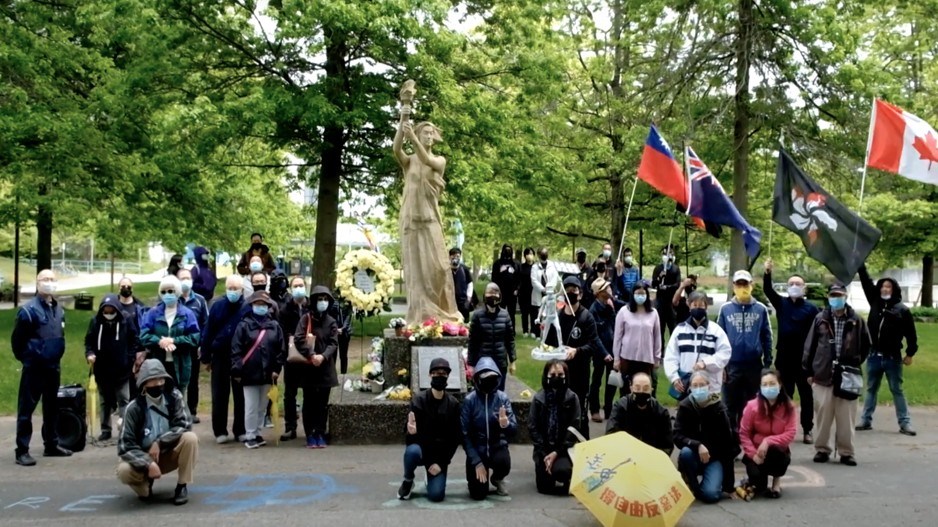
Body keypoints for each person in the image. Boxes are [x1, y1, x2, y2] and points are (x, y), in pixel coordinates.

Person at [393, 104, 462, 323]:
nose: (429, 136)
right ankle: (420, 316)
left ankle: (443, 312)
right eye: (425, 132)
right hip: (412, 221)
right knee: (416, 274)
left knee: (441, 269)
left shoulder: (439, 161)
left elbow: (428, 160)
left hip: (431, 219)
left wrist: (412, 137)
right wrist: (403, 118)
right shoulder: (410, 161)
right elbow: (396, 150)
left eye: (432, 133)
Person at [804, 283, 870, 466]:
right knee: (823, 414)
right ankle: (822, 449)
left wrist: (855, 362)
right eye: (833, 295)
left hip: (848, 376)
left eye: (839, 295)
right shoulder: (820, 319)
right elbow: (810, 346)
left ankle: (846, 452)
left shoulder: (856, 320)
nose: (836, 298)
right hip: (823, 375)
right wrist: (809, 371)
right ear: (828, 296)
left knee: (846, 416)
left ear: (845, 296)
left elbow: (866, 345)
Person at [11, 269, 72, 466]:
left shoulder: (59, 309)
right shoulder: (28, 311)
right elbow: (17, 341)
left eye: (52, 279)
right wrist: (28, 358)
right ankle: (22, 450)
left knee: (52, 407)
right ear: (37, 283)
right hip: (34, 367)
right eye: (45, 279)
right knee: (26, 409)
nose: (49, 282)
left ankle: (51, 444)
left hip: (53, 366)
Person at [117, 359, 196, 505]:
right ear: (144, 384)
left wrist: (159, 442)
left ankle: (182, 486)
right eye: (152, 380)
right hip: (144, 456)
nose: (158, 384)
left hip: (167, 452)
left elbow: (184, 424)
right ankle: (146, 483)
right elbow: (124, 446)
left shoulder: (174, 397)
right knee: (124, 470)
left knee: (190, 438)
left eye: (161, 379)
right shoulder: (133, 409)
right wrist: (148, 463)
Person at [857, 265, 918, 436]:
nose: (885, 288)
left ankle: (905, 423)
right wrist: (860, 265)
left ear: (894, 289)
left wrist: (910, 353)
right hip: (874, 355)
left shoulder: (902, 310)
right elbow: (866, 282)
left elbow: (911, 335)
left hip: (893, 358)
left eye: (888, 286)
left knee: (896, 389)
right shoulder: (875, 302)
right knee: (871, 389)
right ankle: (866, 420)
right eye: (883, 286)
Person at [763, 260, 820, 443]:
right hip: (784, 358)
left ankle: (807, 429)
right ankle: (784, 428)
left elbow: (817, 334)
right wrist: (767, 272)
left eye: (798, 284)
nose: (795, 286)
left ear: (804, 288)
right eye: (791, 284)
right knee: (785, 395)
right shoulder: (781, 303)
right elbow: (768, 291)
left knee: (806, 396)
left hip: (804, 360)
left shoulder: (811, 309)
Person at [543, 276, 602, 439]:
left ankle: (583, 446)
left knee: (580, 414)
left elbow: (594, 345)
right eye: (567, 290)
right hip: (559, 375)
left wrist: (577, 351)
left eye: (574, 290)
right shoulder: (557, 317)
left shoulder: (586, 317)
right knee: (559, 412)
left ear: (581, 294)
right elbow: (549, 344)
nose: (571, 293)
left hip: (580, 375)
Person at [398, 358, 462, 502]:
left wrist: (441, 462)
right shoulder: (419, 401)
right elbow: (411, 440)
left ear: (447, 377)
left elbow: (454, 439)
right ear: (429, 375)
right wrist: (411, 432)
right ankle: (408, 480)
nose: (440, 376)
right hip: (422, 451)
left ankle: (430, 477)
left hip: (440, 456)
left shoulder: (453, 405)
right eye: (436, 373)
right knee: (412, 451)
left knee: (436, 495)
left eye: (443, 373)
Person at [717, 270, 773, 433]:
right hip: (731, 365)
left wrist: (767, 363)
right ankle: (731, 442)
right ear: (734, 286)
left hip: (754, 365)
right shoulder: (726, 309)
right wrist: (721, 365)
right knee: (729, 406)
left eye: (745, 284)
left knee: (752, 405)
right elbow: (719, 337)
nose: (742, 287)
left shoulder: (760, 309)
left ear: (751, 285)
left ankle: (750, 441)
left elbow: (767, 335)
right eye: (739, 284)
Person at [673, 371, 738, 503]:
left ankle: (705, 486)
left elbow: (728, 444)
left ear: (708, 386)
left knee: (711, 495)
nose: (698, 389)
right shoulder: (685, 406)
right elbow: (677, 435)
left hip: (714, 458)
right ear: (690, 387)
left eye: (702, 385)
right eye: (695, 385)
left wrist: (729, 486)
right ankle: (692, 484)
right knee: (685, 453)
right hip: (693, 454)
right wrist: (697, 445)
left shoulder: (719, 408)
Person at [231, 291, 285, 449]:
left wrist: (277, 368)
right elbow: (236, 349)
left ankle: (258, 432)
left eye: (263, 305)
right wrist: (237, 370)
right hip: (249, 372)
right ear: (252, 306)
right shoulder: (244, 325)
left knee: (262, 406)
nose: (260, 307)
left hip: (268, 373)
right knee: (251, 406)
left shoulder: (274, 326)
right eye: (257, 304)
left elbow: (280, 349)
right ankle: (249, 434)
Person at [200, 275, 248, 444]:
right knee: (219, 394)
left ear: (242, 290)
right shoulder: (217, 306)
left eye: (236, 288)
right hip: (219, 356)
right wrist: (205, 356)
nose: (233, 291)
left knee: (241, 395)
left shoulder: (247, 307)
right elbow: (208, 332)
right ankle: (220, 430)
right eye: (230, 288)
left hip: (240, 357)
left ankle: (240, 429)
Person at [461, 357, 517, 500]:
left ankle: (497, 478)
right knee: (478, 494)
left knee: (503, 462)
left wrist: (505, 424)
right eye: (484, 377)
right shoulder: (470, 400)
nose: (488, 381)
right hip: (477, 450)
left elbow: (514, 429)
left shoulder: (502, 398)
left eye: (492, 377)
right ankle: (477, 478)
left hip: (496, 447)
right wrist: (476, 461)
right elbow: (464, 434)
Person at [85, 294, 138, 441]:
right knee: (105, 401)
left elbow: (134, 339)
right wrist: (90, 354)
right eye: (106, 312)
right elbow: (89, 341)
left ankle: (125, 429)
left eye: (111, 311)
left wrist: (130, 358)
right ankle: (105, 429)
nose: (108, 315)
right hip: (102, 369)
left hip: (122, 370)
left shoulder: (126, 320)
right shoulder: (95, 322)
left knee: (123, 399)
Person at [293, 286, 340, 448]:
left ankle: (320, 432)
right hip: (309, 368)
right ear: (313, 301)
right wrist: (311, 355)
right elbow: (298, 338)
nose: (323, 302)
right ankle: (310, 434)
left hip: (325, 369)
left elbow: (333, 343)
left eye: (326, 299)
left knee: (322, 403)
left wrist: (323, 356)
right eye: (320, 299)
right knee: (309, 402)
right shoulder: (305, 319)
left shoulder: (331, 321)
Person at [139, 276, 201, 398]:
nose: (167, 294)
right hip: (158, 364)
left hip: (181, 364)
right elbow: (144, 336)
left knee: (179, 398)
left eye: (170, 291)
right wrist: (160, 341)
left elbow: (194, 337)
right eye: (164, 291)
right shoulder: (153, 313)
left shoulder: (187, 314)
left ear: (177, 291)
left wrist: (174, 340)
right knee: (158, 398)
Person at [739, 370, 797, 499]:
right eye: (764, 384)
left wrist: (768, 441)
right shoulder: (752, 407)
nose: (768, 387)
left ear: (780, 385)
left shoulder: (789, 407)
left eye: (772, 383)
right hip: (756, 450)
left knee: (779, 455)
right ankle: (755, 479)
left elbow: (790, 433)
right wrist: (753, 454)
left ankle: (777, 480)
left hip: (777, 450)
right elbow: (744, 433)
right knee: (759, 487)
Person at [664, 292, 732, 400]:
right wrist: (674, 377)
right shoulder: (679, 330)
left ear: (706, 306)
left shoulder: (716, 330)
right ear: (689, 305)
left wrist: (706, 363)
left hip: (711, 387)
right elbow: (670, 356)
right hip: (685, 387)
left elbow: (725, 352)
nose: (698, 308)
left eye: (701, 305)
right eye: (694, 305)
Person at [529, 360, 580, 495]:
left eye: (560, 374)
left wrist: (557, 452)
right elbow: (532, 427)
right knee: (544, 488)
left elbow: (574, 428)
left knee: (562, 472)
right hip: (543, 449)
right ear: (546, 376)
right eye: (552, 374)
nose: (556, 377)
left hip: (563, 449)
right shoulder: (538, 398)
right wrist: (545, 453)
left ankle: (568, 474)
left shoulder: (572, 398)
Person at [612, 282, 662, 398]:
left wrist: (657, 357)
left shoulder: (653, 313)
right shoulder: (624, 311)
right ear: (633, 294)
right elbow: (618, 336)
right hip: (627, 358)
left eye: (643, 293)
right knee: (625, 389)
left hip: (646, 359)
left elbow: (657, 336)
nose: (640, 296)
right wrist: (616, 358)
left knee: (644, 389)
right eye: (638, 293)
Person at [605, 372, 673, 455]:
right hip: (624, 453)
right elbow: (610, 434)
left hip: (650, 456)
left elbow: (667, 445)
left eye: (645, 389)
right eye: (637, 388)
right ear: (631, 388)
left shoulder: (661, 412)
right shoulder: (621, 407)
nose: (641, 392)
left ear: (651, 390)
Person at [468, 283, 516, 389]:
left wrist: (512, 361)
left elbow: (510, 340)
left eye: (495, 293)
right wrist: (471, 364)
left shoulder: (505, 315)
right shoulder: (477, 316)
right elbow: (472, 342)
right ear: (485, 295)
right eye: (489, 293)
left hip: (500, 362)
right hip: (483, 363)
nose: (492, 295)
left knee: (499, 392)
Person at [177, 267, 209, 424]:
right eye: (182, 278)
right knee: (177, 378)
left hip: (194, 348)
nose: (185, 281)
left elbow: (206, 323)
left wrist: (202, 344)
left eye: (187, 278)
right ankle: (178, 410)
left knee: (193, 380)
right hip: (176, 348)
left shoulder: (200, 300)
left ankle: (192, 410)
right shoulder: (173, 299)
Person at [278, 276, 308, 441]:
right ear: (290, 289)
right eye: (295, 286)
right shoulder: (285, 309)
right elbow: (281, 332)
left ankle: (310, 427)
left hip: (309, 355)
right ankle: (290, 427)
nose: (299, 288)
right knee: (290, 394)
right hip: (291, 357)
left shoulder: (311, 306)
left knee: (310, 392)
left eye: (301, 285)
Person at [588, 279, 620, 422]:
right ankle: (594, 409)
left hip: (612, 348)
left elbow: (613, 326)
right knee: (596, 380)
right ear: (600, 292)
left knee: (611, 381)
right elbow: (595, 335)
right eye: (606, 288)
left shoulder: (610, 306)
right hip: (600, 351)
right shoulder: (593, 310)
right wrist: (604, 353)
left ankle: (608, 409)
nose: (610, 289)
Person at [651, 245, 682, 348]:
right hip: (660, 301)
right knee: (660, 328)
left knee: (673, 327)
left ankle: (674, 349)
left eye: (671, 254)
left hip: (671, 302)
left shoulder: (675, 268)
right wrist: (660, 277)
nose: (669, 256)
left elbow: (677, 284)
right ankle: (660, 351)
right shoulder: (658, 268)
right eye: (667, 253)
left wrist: (667, 287)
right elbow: (654, 284)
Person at [530, 247, 559, 338]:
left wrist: (550, 288)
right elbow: (534, 280)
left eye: (545, 253)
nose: (544, 255)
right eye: (542, 254)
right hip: (539, 293)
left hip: (550, 293)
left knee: (549, 313)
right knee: (539, 312)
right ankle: (538, 333)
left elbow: (555, 278)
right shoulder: (535, 267)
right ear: (538, 255)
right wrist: (543, 289)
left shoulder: (552, 265)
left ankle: (548, 333)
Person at [491, 244, 521, 328]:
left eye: (509, 250)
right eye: (506, 250)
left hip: (512, 292)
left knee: (511, 313)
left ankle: (512, 330)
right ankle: (500, 328)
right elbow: (494, 278)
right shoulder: (497, 264)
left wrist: (517, 289)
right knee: (500, 312)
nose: (507, 252)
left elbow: (519, 278)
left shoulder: (516, 264)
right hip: (501, 292)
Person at [450, 247, 474, 322]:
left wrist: (468, 298)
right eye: (453, 256)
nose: (455, 258)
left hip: (463, 300)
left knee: (464, 321)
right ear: (449, 257)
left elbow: (470, 284)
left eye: (457, 256)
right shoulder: (446, 269)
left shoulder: (464, 269)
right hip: (450, 300)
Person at [518, 247, 537, 337]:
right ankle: (525, 330)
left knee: (534, 313)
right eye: (528, 253)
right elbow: (518, 280)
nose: (530, 255)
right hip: (523, 293)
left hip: (534, 293)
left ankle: (533, 331)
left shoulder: (536, 267)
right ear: (525, 256)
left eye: (531, 253)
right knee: (524, 313)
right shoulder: (521, 267)